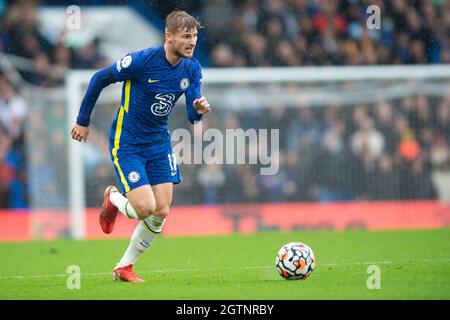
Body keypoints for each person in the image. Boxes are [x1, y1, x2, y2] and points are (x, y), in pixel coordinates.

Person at [70, 11, 210, 282]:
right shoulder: (142, 60)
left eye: (194, 36)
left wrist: (198, 109)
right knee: (144, 209)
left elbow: (193, 115)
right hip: (128, 143)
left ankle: (124, 267)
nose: (192, 42)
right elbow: (99, 78)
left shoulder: (192, 68)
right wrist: (82, 121)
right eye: (186, 36)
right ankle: (112, 197)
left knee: (161, 211)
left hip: (159, 144)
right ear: (169, 36)